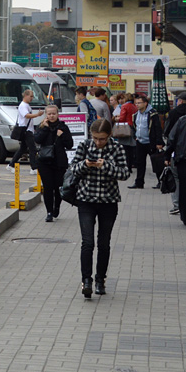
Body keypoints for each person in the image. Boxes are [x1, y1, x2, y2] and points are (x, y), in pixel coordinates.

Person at [68, 118, 131, 298]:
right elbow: (72, 169)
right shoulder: (84, 146)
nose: (98, 142)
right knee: (87, 242)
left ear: (109, 136)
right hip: (86, 200)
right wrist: (85, 165)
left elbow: (125, 174)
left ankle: (100, 280)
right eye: (95, 138)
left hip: (108, 201)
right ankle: (86, 280)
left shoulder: (117, 148)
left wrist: (106, 166)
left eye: (102, 139)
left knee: (104, 243)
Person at [34, 104, 73, 222]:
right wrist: (45, 128)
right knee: (48, 187)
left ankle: (57, 207)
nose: (51, 116)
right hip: (44, 162)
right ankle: (49, 212)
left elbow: (69, 144)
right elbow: (37, 140)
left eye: (53, 114)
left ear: (58, 114)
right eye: (49, 114)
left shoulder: (63, 127)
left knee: (58, 187)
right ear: (46, 114)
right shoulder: (41, 126)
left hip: (59, 162)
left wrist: (62, 136)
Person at [127, 94, 164, 189]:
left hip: (151, 142)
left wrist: (159, 142)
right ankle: (139, 182)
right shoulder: (135, 115)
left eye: (139, 103)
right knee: (140, 163)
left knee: (156, 163)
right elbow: (134, 127)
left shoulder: (152, 114)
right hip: (140, 142)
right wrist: (136, 135)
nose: (137, 105)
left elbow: (158, 128)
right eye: (136, 103)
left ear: (145, 103)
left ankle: (161, 182)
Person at [7, 90, 43, 173]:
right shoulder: (23, 105)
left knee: (23, 149)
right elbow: (26, 115)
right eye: (31, 96)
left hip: (27, 129)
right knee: (32, 148)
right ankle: (33, 168)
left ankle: (11, 164)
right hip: (26, 130)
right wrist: (37, 115)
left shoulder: (26, 105)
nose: (32, 98)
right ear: (26, 96)